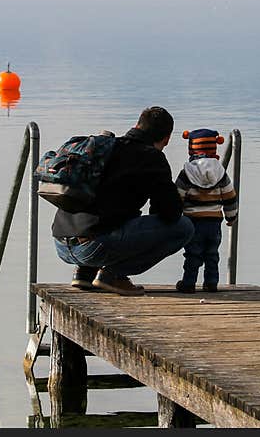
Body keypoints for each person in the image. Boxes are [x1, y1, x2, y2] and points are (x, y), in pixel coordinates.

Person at [52, 106, 195, 296]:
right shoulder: (152, 158)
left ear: (136, 125)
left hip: (61, 243)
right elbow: (170, 214)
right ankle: (113, 275)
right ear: (166, 139)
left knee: (108, 216)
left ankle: (84, 273)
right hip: (94, 247)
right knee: (183, 228)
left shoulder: (105, 148)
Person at [174, 128, 238, 293]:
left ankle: (188, 283)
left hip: (192, 222)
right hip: (214, 222)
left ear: (192, 148)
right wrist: (231, 217)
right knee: (212, 254)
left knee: (192, 254)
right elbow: (230, 196)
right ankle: (211, 283)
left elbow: (177, 197)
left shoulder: (187, 172)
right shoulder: (220, 172)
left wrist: (174, 216)